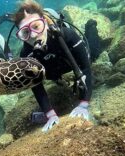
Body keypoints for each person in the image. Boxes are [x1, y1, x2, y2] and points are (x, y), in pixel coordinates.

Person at [13, 0, 93, 132]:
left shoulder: (67, 35)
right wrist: (50, 115)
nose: (33, 35)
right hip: (52, 72)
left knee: (94, 53)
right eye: (25, 33)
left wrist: (84, 103)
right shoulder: (26, 54)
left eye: (36, 26)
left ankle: (91, 26)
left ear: (44, 21)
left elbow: (86, 68)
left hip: (71, 63)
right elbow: (36, 86)